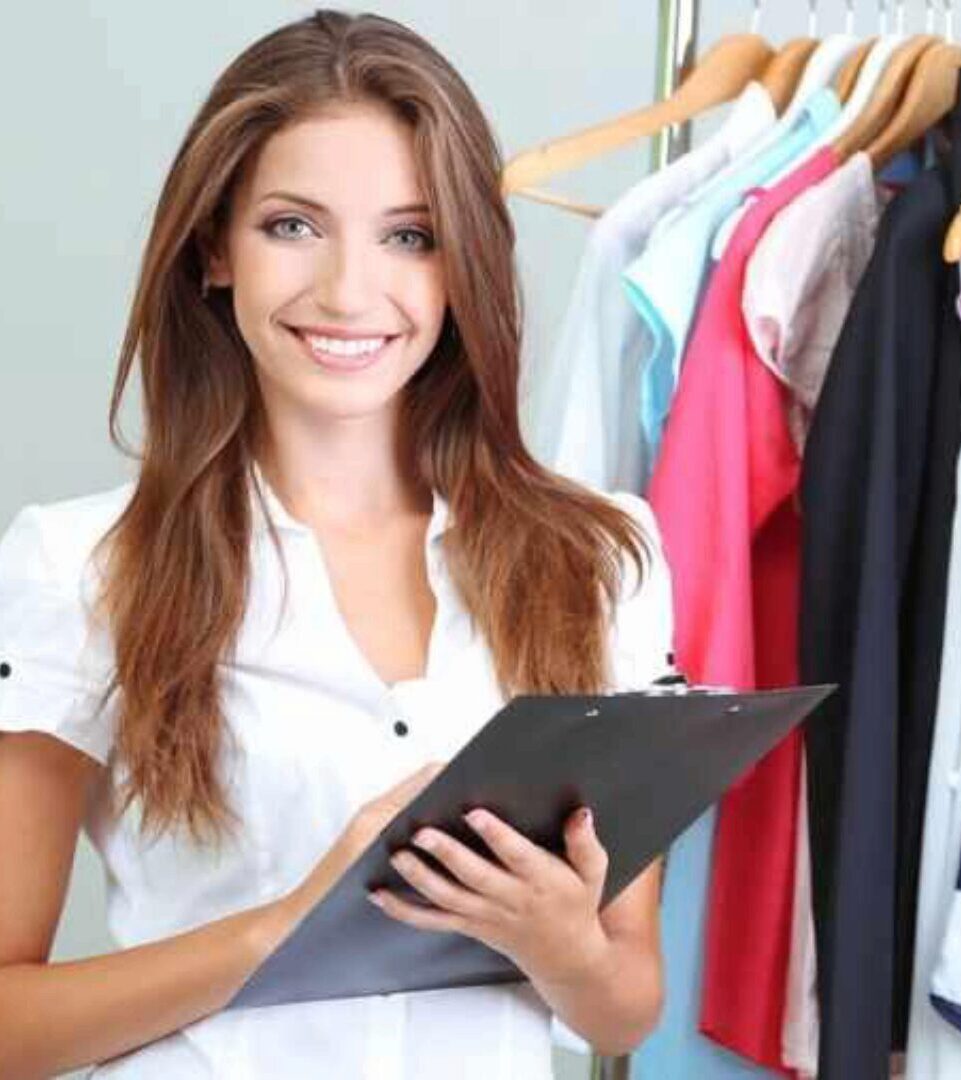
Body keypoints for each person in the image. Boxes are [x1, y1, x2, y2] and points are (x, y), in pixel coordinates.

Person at [0, 10, 674, 1077]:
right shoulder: (80, 570)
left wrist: (562, 946)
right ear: (214, 248)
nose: (350, 291)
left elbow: (626, 1010)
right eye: (292, 226)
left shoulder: (599, 559)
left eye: (410, 235)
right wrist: (280, 931)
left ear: (462, 264)